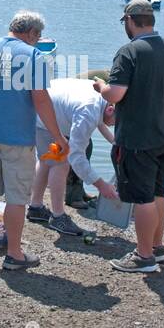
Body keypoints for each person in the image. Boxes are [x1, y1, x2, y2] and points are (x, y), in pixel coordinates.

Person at [0, 10, 66, 271]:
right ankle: (14, 254)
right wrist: (57, 136)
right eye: (38, 35)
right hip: (17, 138)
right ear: (30, 33)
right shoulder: (33, 56)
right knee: (16, 198)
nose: (38, 40)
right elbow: (40, 99)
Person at [93, 0, 164, 273]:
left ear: (130, 21)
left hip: (138, 137)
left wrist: (101, 87)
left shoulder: (129, 52)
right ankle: (157, 248)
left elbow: (116, 93)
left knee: (142, 198)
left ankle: (143, 257)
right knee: (158, 192)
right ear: (151, 20)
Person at [28, 77, 118, 236]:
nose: (115, 125)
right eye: (117, 122)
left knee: (46, 160)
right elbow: (77, 156)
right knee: (61, 163)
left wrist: (116, 144)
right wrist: (101, 185)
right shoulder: (89, 110)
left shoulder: (101, 99)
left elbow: (101, 122)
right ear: (111, 109)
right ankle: (58, 217)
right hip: (45, 114)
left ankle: (35, 208)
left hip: (40, 109)